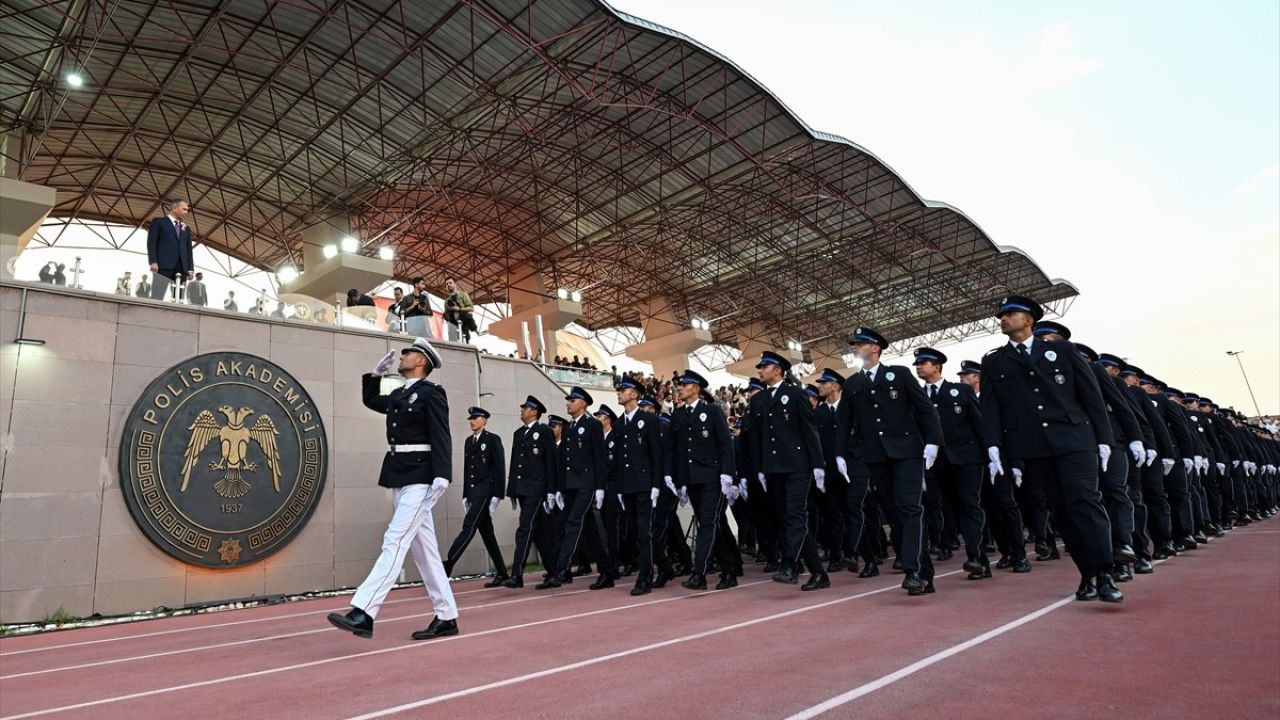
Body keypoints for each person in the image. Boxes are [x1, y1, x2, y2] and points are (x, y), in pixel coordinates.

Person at [980, 296, 1123, 603]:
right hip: (1033, 445)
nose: (1002, 318)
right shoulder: (994, 361)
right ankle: (1088, 573)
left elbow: (1091, 397)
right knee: (1062, 510)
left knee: (1084, 499)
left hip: (1074, 438)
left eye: (1010, 313)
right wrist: (993, 444)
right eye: (1001, 315)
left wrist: (1104, 439)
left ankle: (1106, 572)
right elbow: (990, 407)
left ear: (1029, 319)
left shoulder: (1061, 350)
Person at [328, 337, 459, 640]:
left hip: (422, 476)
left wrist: (443, 474)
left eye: (409, 352)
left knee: (395, 539)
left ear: (422, 361)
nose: (403, 355)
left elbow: (442, 434)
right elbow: (373, 401)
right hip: (399, 475)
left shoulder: (432, 393)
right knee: (425, 552)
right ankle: (447, 615)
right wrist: (374, 377)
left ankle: (364, 610)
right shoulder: (401, 393)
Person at [836, 329, 942, 596]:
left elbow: (924, 408)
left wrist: (933, 440)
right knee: (895, 515)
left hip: (907, 451)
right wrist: (840, 454)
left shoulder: (900, 374)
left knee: (909, 508)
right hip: (875, 456)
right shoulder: (852, 385)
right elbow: (844, 424)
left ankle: (913, 571)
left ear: (875, 348)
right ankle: (924, 572)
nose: (856, 347)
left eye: (860, 344)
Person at [748, 350, 828, 591]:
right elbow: (758, 438)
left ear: (778, 370)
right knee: (787, 520)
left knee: (794, 515)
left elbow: (809, 431)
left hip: (797, 465)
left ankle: (790, 565)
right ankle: (818, 573)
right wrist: (760, 468)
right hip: (773, 468)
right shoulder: (757, 400)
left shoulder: (795, 394)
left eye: (764, 366)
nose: (760, 370)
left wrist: (817, 465)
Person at [913, 347, 994, 580]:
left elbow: (979, 424)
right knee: (953, 509)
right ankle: (978, 557)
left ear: (937, 366)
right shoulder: (917, 396)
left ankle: (976, 556)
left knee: (970, 504)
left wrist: (990, 456)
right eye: (917, 364)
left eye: (924, 363)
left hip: (968, 458)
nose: (919, 367)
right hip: (937, 463)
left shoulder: (960, 391)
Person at [666, 370, 740, 590]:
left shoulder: (712, 411)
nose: (680, 387)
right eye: (680, 384)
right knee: (712, 526)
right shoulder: (678, 415)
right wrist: (675, 479)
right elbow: (674, 449)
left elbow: (725, 444)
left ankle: (699, 574)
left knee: (707, 524)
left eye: (685, 384)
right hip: (692, 479)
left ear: (696, 388)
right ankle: (729, 570)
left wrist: (728, 474)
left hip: (712, 477)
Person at [537, 387, 607, 589]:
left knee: (573, 523)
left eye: (572, 400)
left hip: (586, 483)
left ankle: (561, 570)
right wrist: (559, 488)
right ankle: (607, 571)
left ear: (583, 403)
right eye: (568, 400)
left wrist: (600, 487)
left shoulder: (592, 425)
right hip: (570, 485)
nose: (568, 403)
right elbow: (563, 460)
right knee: (587, 530)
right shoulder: (569, 427)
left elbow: (599, 457)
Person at [442, 407, 508, 587]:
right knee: (487, 533)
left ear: (484, 421)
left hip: (486, 490)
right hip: (474, 492)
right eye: (471, 418)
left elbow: (499, 468)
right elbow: (467, 469)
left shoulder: (492, 440)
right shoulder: (468, 442)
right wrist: (466, 495)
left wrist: (498, 495)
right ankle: (502, 573)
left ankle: (448, 563)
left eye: (476, 418)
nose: (472, 421)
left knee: (469, 525)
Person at [503, 396, 558, 588]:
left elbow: (551, 462)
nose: (522, 410)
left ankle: (517, 574)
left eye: (526, 408)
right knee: (539, 532)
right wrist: (511, 491)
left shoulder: (543, 431)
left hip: (537, 488)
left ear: (534, 412)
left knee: (524, 527)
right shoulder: (519, 433)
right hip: (522, 489)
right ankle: (554, 572)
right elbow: (515, 464)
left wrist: (551, 491)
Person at [146, 197, 194, 301]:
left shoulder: (186, 228)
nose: (186, 212)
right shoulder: (159, 222)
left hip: (182, 267)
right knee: (157, 296)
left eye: (187, 210)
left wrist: (190, 269)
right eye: (184, 209)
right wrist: (153, 262)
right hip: (163, 265)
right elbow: (152, 243)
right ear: (174, 208)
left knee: (179, 299)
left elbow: (188, 250)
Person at [444, 278, 477, 343]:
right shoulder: (447, 301)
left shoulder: (462, 294)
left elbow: (471, 308)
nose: (448, 285)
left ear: (455, 284)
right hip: (452, 327)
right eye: (446, 284)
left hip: (462, 324)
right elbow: (446, 316)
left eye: (450, 283)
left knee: (465, 344)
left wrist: (459, 309)